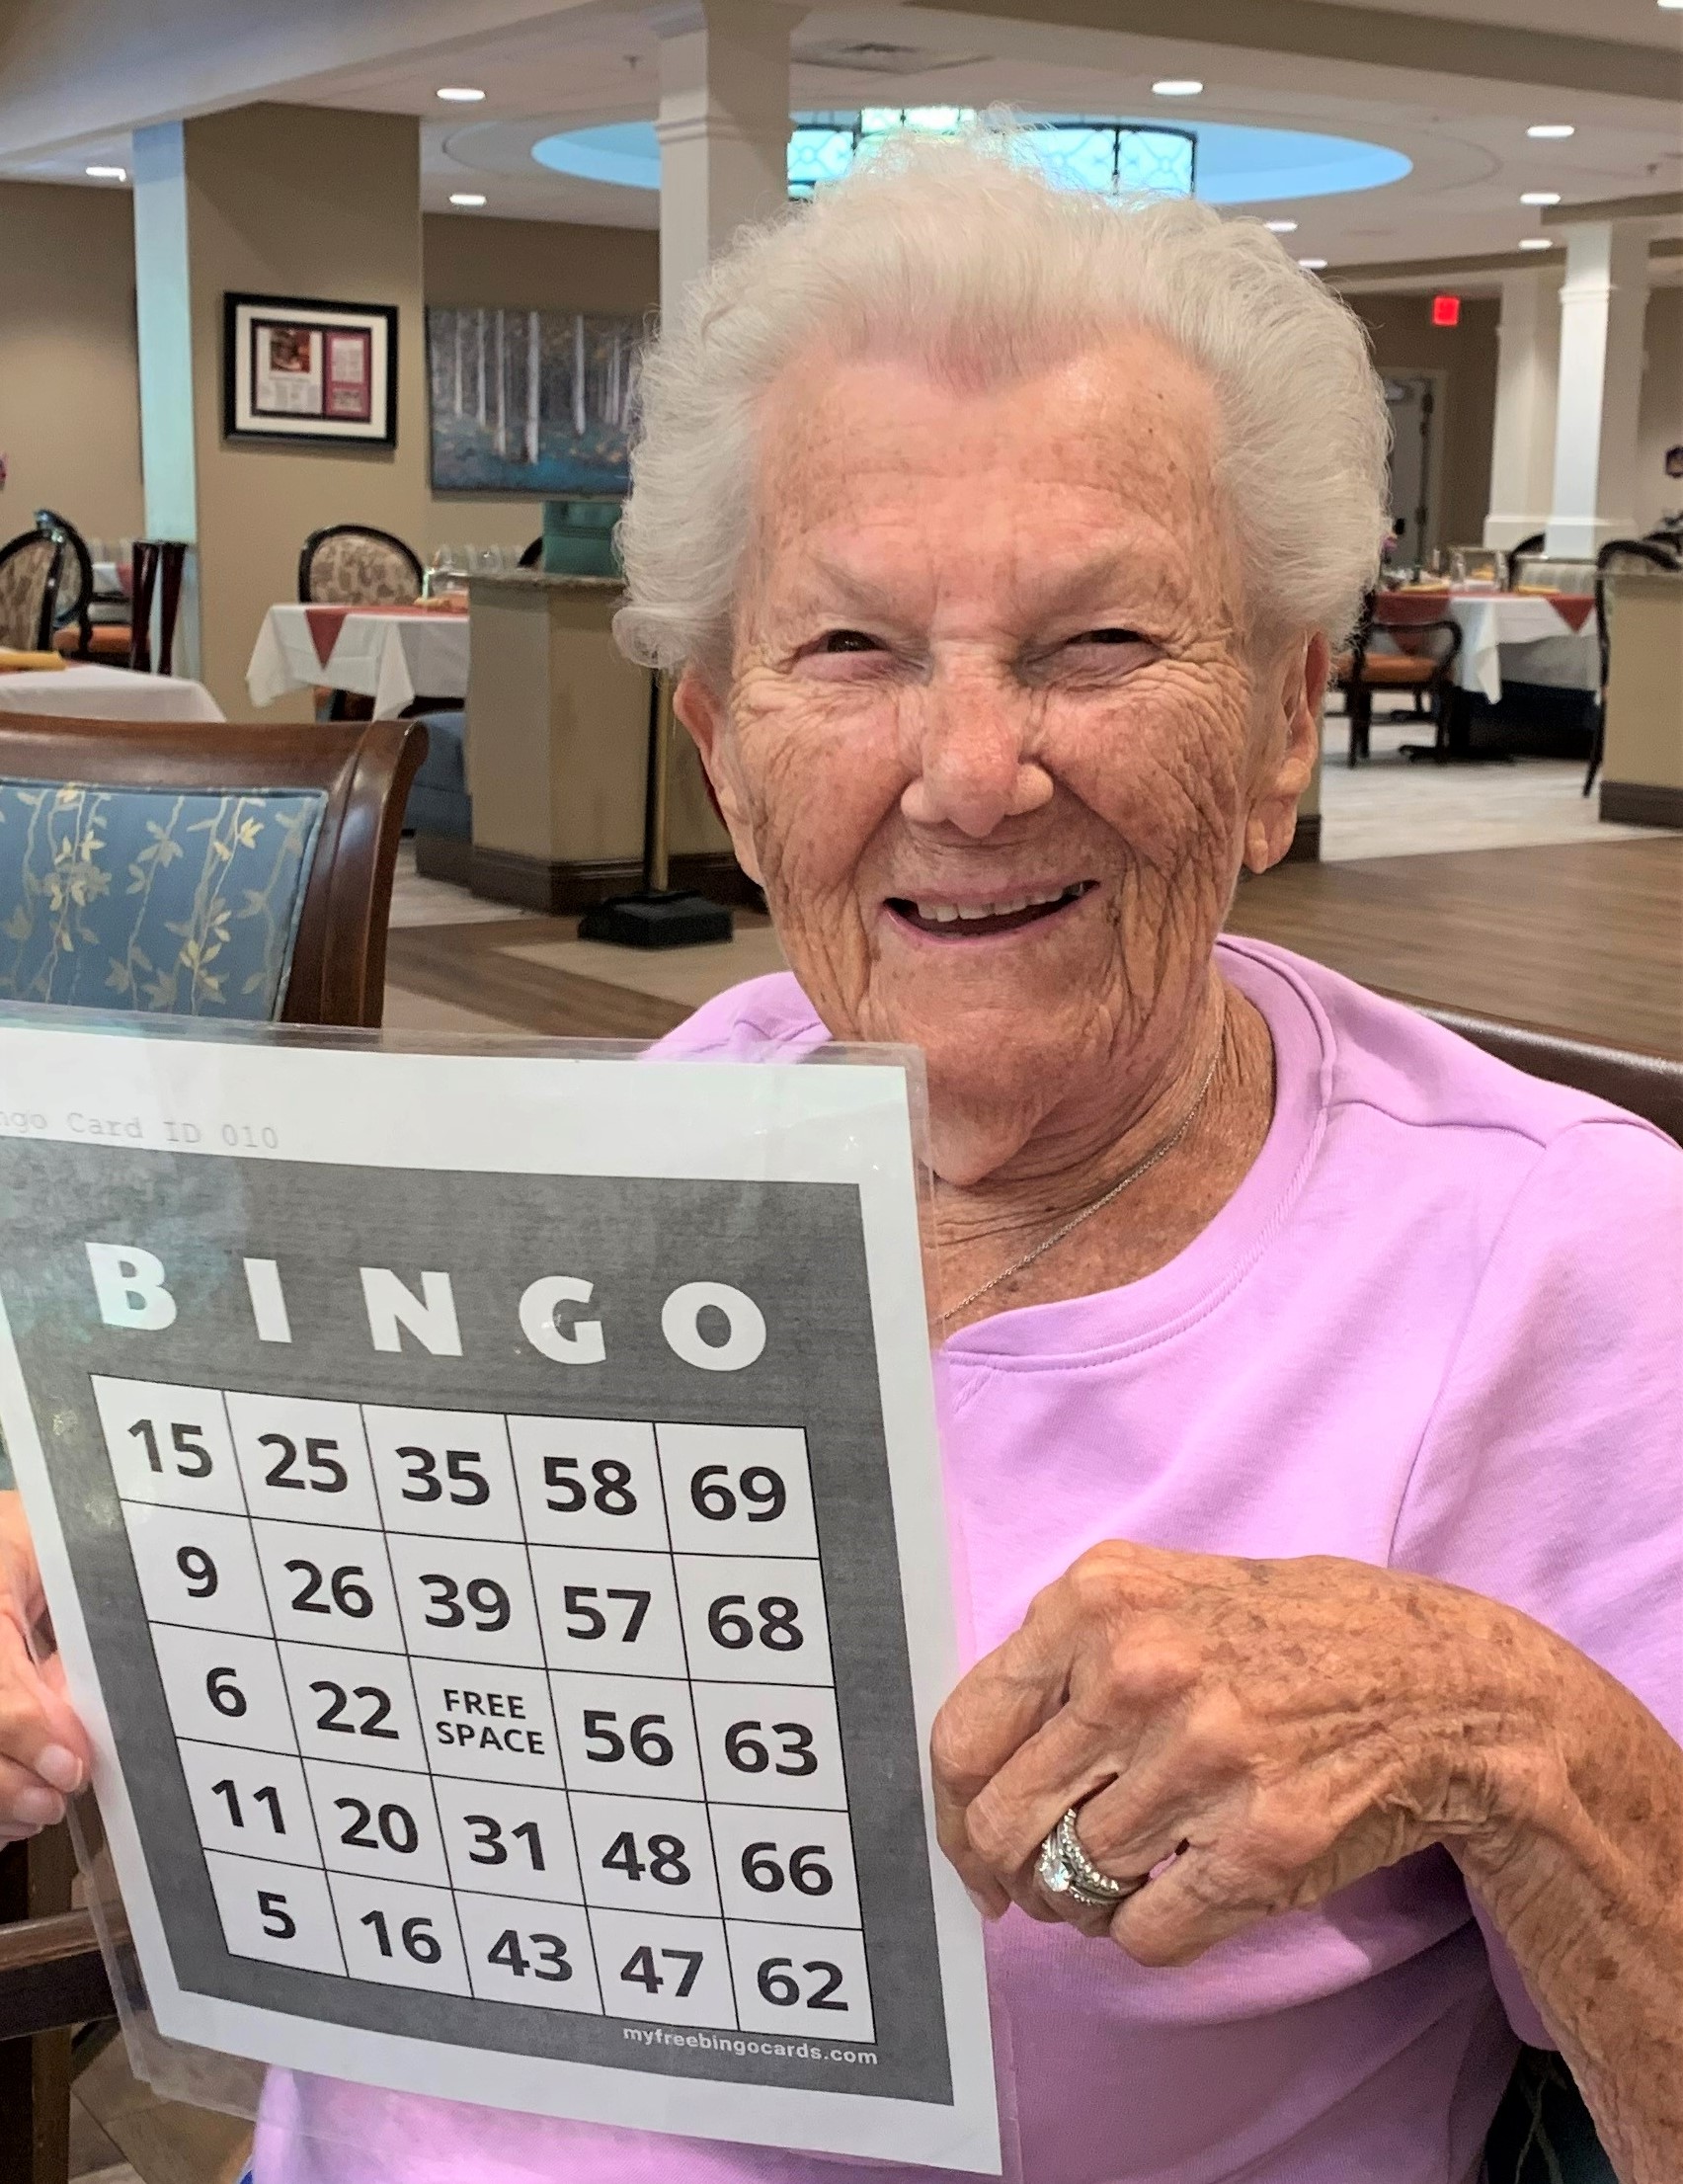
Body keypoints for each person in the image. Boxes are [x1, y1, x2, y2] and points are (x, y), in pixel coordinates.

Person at [2, 133, 1679, 2184]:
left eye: (1099, 643)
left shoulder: (1555, 1253)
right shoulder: (675, 1111)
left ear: (1281, 728)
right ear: (722, 750)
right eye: (853, 652)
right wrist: (88, 1577)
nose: (971, 774)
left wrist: (1503, 1728)